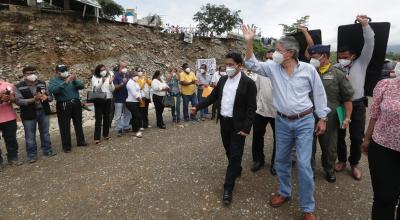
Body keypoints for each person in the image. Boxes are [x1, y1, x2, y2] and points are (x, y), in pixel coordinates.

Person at [243, 25, 330, 220]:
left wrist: (322, 118)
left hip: (305, 121)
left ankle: (308, 207)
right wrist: (249, 41)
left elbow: (319, 94)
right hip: (281, 121)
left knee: (304, 164)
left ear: (290, 53)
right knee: (281, 160)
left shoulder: (308, 70)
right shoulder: (273, 68)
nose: (274, 54)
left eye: (279, 51)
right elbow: (251, 64)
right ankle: (284, 192)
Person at [191, 52, 256, 205]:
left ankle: (228, 188)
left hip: (238, 125)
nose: (228, 68)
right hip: (224, 123)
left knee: (235, 154)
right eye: (226, 64)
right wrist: (197, 107)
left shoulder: (248, 83)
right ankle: (236, 169)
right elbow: (213, 97)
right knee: (228, 150)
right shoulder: (222, 80)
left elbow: (251, 108)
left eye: (231, 65)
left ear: (240, 65)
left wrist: (247, 127)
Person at [335, 15, 375, 181]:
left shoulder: (361, 63)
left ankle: (354, 163)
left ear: (353, 56)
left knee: (357, 136)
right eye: (340, 57)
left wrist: (365, 25)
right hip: (340, 105)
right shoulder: (336, 67)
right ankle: (342, 160)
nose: (342, 59)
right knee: (339, 134)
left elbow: (369, 45)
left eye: (345, 57)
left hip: (357, 104)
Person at [308, 45, 354, 183]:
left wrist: (347, 117)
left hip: (330, 118)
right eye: (311, 57)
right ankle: (309, 170)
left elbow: (347, 98)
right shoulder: (308, 72)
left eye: (314, 57)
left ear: (325, 56)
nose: (312, 60)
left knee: (329, 146)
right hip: (308, 116)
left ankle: (329, 169)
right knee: (308, 146)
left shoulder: (338, 74)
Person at [361, 77, 400, 220]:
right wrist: (366, 139)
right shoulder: (386, 85)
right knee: (384, 198)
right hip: (383, 148)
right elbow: (374, 114)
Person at [14, 66, 56, 163]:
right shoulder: (18, 86)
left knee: (45, 133)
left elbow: (50, 97)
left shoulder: (42, 83)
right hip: (28, 113)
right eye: (29, 73)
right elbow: (19, 101)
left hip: (43, 111)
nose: (32, 75)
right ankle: (32, 155)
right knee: (30, 136)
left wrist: (47, 97)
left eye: (34, 72)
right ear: (24, 75)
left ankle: (48, 150)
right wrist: (34, 99)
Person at [49, 64, 87, 153]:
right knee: (64, 125)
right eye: (62, 71)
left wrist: (75, 80)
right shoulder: (54, 80)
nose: (65, 72)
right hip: (63, 104)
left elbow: (81, 86)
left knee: (78, 123)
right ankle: (66, 146)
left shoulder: (72, 79)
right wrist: (65, 82)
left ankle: (81, 141)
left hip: (76, 102)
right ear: (57, 72)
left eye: (66, 70)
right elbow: (53, 90)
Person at [251, 65, 277, 176]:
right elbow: (256, 89)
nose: (269, 61)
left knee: (279, 138)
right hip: (261, 110)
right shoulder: (261, 73)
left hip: (278, 111)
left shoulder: (282, 72)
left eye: (271, 58)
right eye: (267, 58)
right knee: (257, 135)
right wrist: (256, 106)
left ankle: (276, 163)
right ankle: (258, 160)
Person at [0, 79, 22, 167]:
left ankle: (13, 158)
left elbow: (15, 99)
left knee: (11, 140)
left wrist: (10, 98)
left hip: (8, 117)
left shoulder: (8, 85)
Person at [91, 64, 115, 144]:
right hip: (99, 99)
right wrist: (102, 82)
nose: (103, 71)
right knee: (98, 118)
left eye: (104, 69)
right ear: (98, 71)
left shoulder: (109, 76)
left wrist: (111, 83)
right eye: (101, 70)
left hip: (108, 99)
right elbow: (95, 89)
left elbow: (113, 89)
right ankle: (96, 137)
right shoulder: (95, 77)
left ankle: (106, 134)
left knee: (107, 117)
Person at [113, 62, 132, 137]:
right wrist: (122, 83)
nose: (125, 68)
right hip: (118, 98)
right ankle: (119, 128)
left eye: (126, 67)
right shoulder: (115, 76)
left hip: (127, 98)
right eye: (123, 67)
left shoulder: (128, 75)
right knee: (118, 115)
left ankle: (126, 126)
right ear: (119, 67)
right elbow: (115, 87)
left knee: (128, 113)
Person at [125, 71, 143, 138]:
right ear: (131, 76)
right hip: (131, 102)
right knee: (137, 116)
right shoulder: (130, 83)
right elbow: (134, 93)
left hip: (135, 102)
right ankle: (137, 130)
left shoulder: (135, 82)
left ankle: (135, 129)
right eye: (135, 75)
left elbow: (139, 90)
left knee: (135, 116)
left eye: (137, 75)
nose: (137, 76)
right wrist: (140, 100)